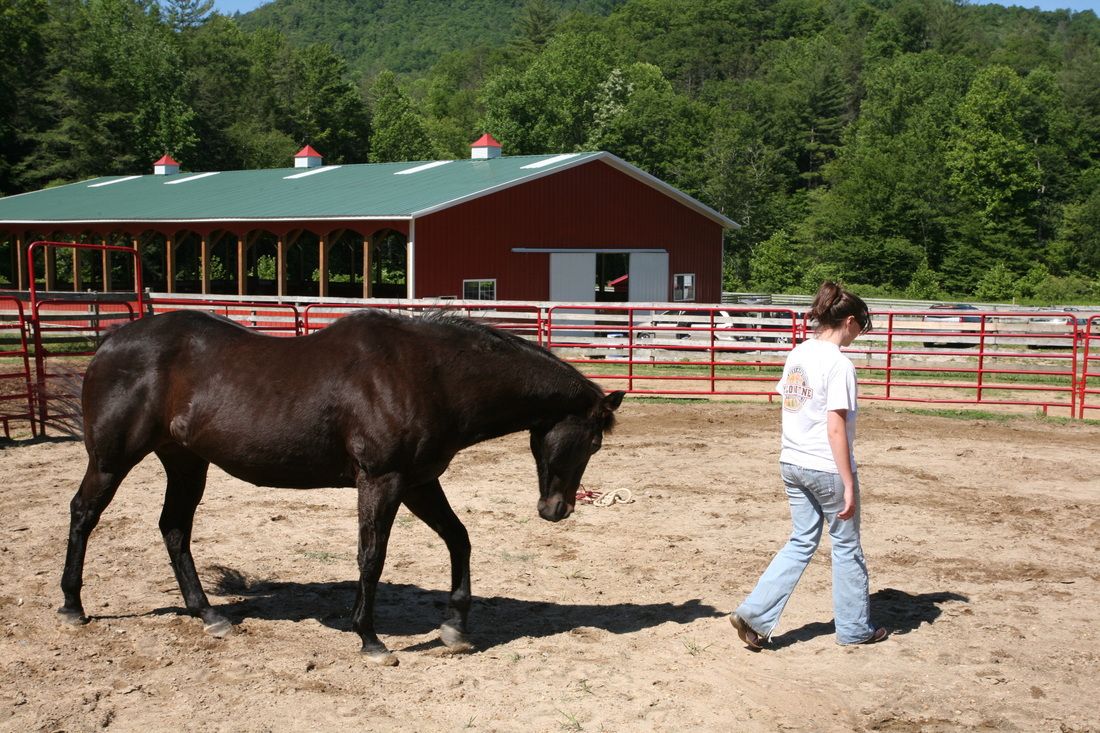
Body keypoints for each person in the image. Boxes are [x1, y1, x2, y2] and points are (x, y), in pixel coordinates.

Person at [730, 281, 888, 649]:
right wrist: (848, 482)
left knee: (802, 541)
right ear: (849, 321)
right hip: (825, 465)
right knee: (846, 547)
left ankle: (754, 613)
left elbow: (784, 396)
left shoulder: (798, 353)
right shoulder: (839, 365)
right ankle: (854, 629)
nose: (858, 336)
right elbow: (835, 426)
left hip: (792, 461)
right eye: (860, 328)